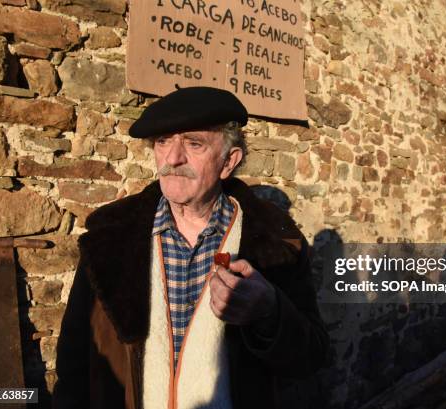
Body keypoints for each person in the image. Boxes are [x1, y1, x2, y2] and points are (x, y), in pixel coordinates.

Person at [52, 86, 329, 409]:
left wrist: (270, 312)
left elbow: (311, 358)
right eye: (162, 142)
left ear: (229, 161)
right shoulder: (110, 237)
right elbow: (74, 364)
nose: (172, 158)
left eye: (194, 143)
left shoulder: (276, 244)